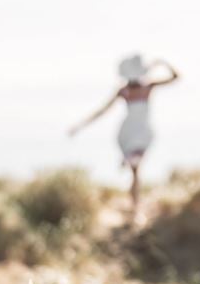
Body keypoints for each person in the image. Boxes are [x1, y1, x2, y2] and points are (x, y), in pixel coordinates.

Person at [68, 54, 179, 219]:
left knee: (136, 170)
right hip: (132, 132)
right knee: (136, 170)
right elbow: (102, 111)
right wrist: (162, 63)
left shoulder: (140, 87)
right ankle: (135, 206)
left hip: (139, 131)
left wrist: (162, 63)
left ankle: (134, 202)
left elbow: (176, 78)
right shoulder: (137, 88)